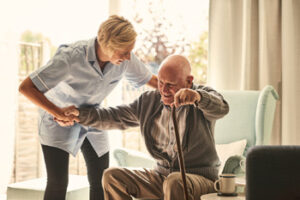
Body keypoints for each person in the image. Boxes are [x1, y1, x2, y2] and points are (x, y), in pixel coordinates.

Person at [18, 15, 158, 200]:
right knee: (58, 182)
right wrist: (57, 111)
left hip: (92, 117)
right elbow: (26, 87)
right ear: (106, 45)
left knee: (102, 180)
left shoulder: (126, 59)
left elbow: (154, 81)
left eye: (129, 52)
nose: (127, 57)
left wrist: (184, 89)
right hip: (57, 118)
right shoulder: (71, 57)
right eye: (123, 52)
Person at [66, 55, 230, 200]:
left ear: (189, 81)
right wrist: (79, 115)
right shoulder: (148, 102)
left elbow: (222, 108)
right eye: (160, 82)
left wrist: (198, 97)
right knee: (112, 176)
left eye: (171, 85)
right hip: (161, 177)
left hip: (199, 179)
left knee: (175, 181)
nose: (164, 90)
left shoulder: (201, 97)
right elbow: (113, 116)